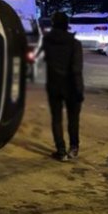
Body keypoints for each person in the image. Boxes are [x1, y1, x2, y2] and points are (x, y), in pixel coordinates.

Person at [38, 12, 84, 161]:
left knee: (56, 119)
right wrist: (79, 89)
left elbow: (43, 58)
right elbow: (76, 68)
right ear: (66, 24)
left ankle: (61, 150)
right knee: (73, 118)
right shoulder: (74, 43)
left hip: (54, 85)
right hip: (71, 85)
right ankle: (74, 148)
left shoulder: (47, 41)